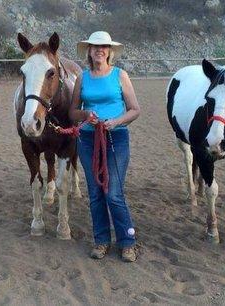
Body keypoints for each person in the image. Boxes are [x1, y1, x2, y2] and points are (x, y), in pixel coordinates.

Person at [69, 31, 141, 262]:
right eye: (95, 46)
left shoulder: (120, 75)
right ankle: (101, 241)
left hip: (116, 138)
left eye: (104, 47)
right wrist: (85, 114)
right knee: (95, 193)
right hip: (88, 140)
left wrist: (116, 121)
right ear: (89, 51)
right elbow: (72, 112)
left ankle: (127, 241)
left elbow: (134, 109)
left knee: (113, 193)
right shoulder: (82, 78)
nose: (100, 50)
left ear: (110, 51)